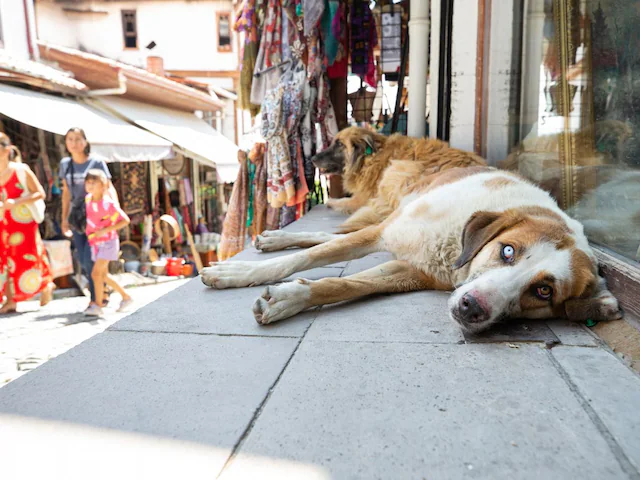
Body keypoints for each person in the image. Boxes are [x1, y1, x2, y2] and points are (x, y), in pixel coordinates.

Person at [59, 127, 118, 313]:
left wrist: (114, 211)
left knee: (90, 259)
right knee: (84, 260)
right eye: (70, 139)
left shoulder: (96, 162)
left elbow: (108, 187)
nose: (74, 143)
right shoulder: (65, 164)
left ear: (85, 142)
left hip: (97, 216)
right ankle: (102, 292)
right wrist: (64, 219)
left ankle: (95, 300)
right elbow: (66, 193)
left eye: (78, 139)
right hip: (78, 218)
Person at [0, 133, 55, 314]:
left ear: (7, 150)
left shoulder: (21, 170)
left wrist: (16, 202)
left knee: (28, 256)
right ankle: (10, 300)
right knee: (4, 259)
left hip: (23, 224)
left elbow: (40, 193)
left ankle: (45, 283)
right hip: (2, 223)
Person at [83, 169, 132, 317]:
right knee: (103, 276)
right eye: (88, 182)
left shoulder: (108, 204)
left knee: (96, 273)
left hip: (108, 242)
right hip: (95, 243)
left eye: (94, 183)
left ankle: (98, 305)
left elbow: (125, 220)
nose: (90, 186)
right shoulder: (87, 199)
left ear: (103, 186)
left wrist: (105, 230)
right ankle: (126, 297)